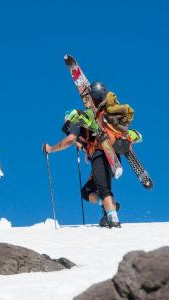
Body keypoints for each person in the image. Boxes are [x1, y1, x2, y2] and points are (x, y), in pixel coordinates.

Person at [44, 81, 122, 228]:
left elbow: (71, 139)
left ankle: (113, 218)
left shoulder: (76, 121)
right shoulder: (97, 120)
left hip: (100, 153)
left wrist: (51, 149)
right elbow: (81, 141)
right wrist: (84, 147)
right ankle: (109, 209)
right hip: (114, 153)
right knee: (88, 191)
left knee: (102, 188)